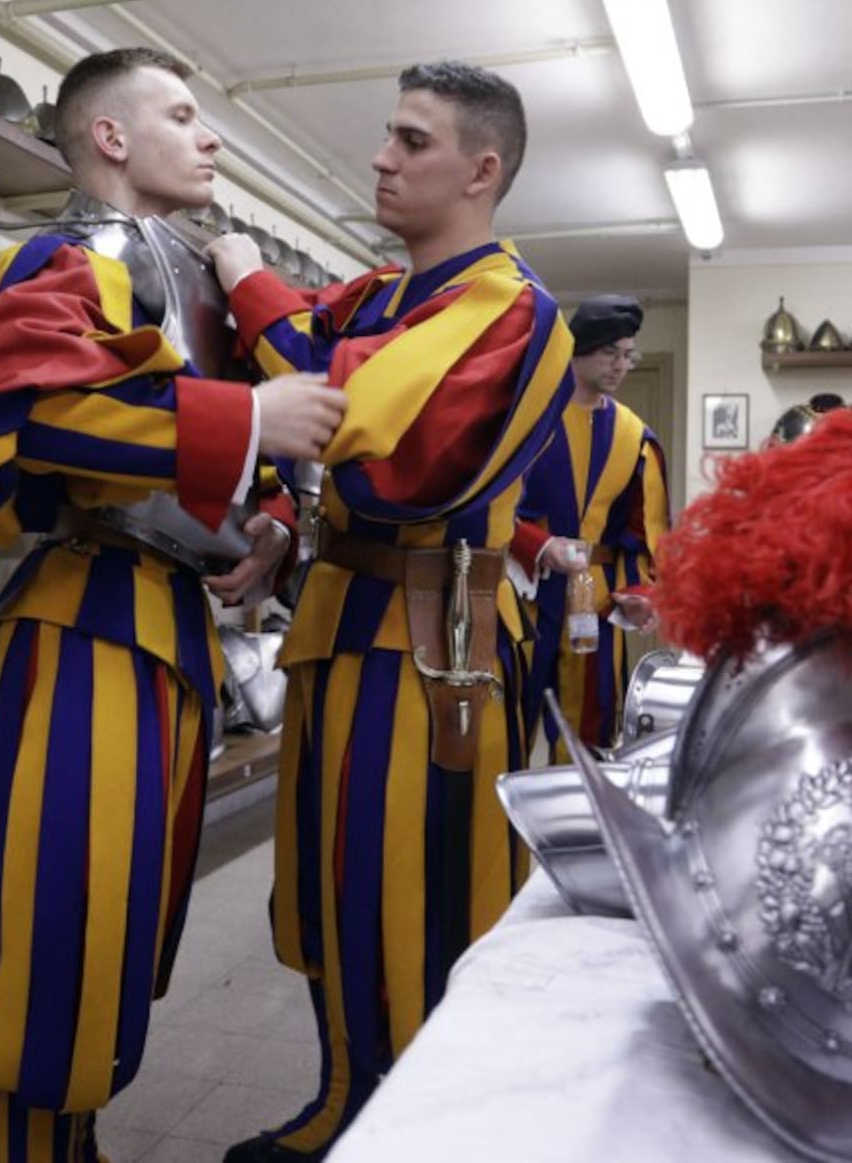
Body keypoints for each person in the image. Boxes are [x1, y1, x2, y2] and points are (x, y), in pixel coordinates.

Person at [0, 46, 347, 1163]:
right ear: (111, 139)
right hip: (87, 617)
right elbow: (4, 418)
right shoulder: (76, 253)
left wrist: (272, 518)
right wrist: (245, 426)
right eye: (183, 115)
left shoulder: (180, 265)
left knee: (123, 917)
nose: (212, 135)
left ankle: (74, 1135)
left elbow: (216, 436)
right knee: (59, 912)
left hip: (172, 619)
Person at [203, 61, 575, 1162]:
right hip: (338, 618)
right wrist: (277, 514)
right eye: (388, 135)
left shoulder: (511, 306)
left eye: (411, 140)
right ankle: (342, 1101)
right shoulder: (373, 295)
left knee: (419, 895)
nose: (382, 156)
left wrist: (242, 272)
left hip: (431, 644)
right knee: (324, 888)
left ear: (481, 167)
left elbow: (345, 413)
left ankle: (418, 1129)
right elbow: (290, 411)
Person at [511, 293, 671, 758]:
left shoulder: (633, 434)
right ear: (577, 350)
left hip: (595, 603)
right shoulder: (528, 421)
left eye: (628, 355)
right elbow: (490, 506)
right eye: (609, 353)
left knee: (591, 736)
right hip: (523, 592)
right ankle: (505, 827)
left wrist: (640, 594)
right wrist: (539, 546)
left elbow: (646, 531)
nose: (622, 365)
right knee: (508, 723)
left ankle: (582, 825)